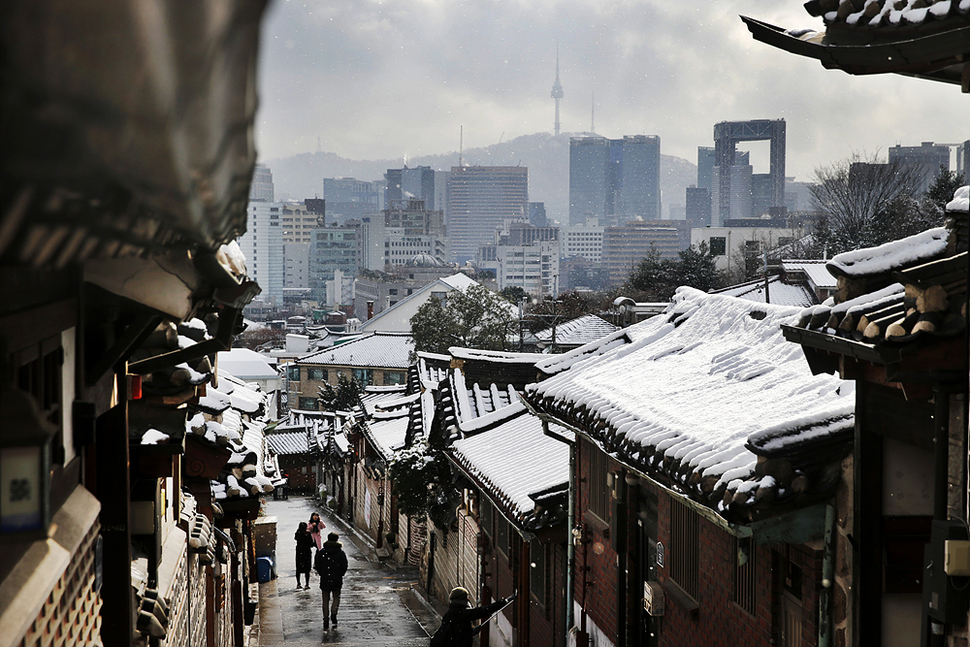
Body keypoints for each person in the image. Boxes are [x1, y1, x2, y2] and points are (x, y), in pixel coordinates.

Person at [434, 587, 516, 647]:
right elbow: (484, 610)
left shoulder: (450, 613)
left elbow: (455, 630)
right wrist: (505, 601)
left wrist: (470, 631)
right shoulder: (463, 613)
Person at [314, 532, 348, 630]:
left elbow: (317, 564)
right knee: (336, 597)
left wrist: (322, 573)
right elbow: (344, 565)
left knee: (325, 599)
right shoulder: (340, 552)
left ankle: (325, 618)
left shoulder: (322, 552)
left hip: (325, 578)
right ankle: (334, 613)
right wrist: (340, 573)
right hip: (336, 578)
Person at [294, 522, 315, 589]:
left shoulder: (298, 533)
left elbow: (296, 538)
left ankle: (298, 583)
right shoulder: (308, 533)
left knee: (298, 569)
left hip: (299, 552)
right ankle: (307, 584)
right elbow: (311, 544)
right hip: (307, 552)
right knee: (307, 569)